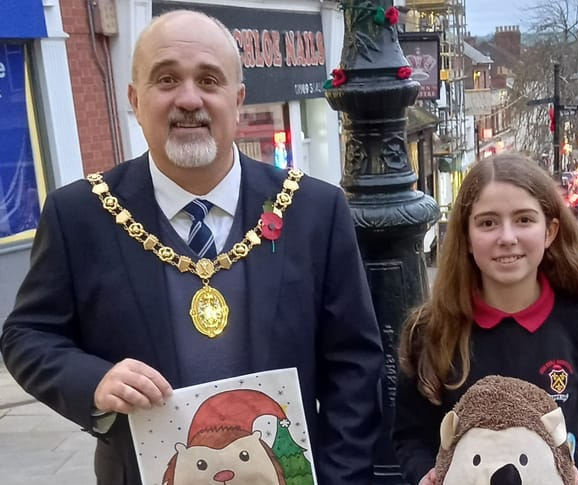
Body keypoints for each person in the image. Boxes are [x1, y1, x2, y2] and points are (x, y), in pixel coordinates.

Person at [0, 10, 384, 485]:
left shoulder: (314, 210)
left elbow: (354, 364)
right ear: (135, 100)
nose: (188, 99)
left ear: (237, 99)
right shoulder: (79, 214)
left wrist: (340, 477)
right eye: (166, 80)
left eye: (208, 80)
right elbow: (26, 336)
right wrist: (92, 381)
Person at [393, 153, 578, 485]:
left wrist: (574, 467)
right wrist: (425, 473)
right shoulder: (431, 331)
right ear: (466, 235)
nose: (507, 237)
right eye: (487, 222)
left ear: (550, 231)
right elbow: (409, 435)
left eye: (524, 220)